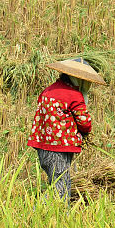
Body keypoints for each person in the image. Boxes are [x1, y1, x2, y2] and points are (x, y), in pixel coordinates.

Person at [27, 58, 106, 201]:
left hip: (42, 147)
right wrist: (86, 131)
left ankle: (57, 216)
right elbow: (84, 123)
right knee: (61, 187)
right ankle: (37, 212)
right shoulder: (74, 95)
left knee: (58, 182)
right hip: (59, 149)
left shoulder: (48, 90)